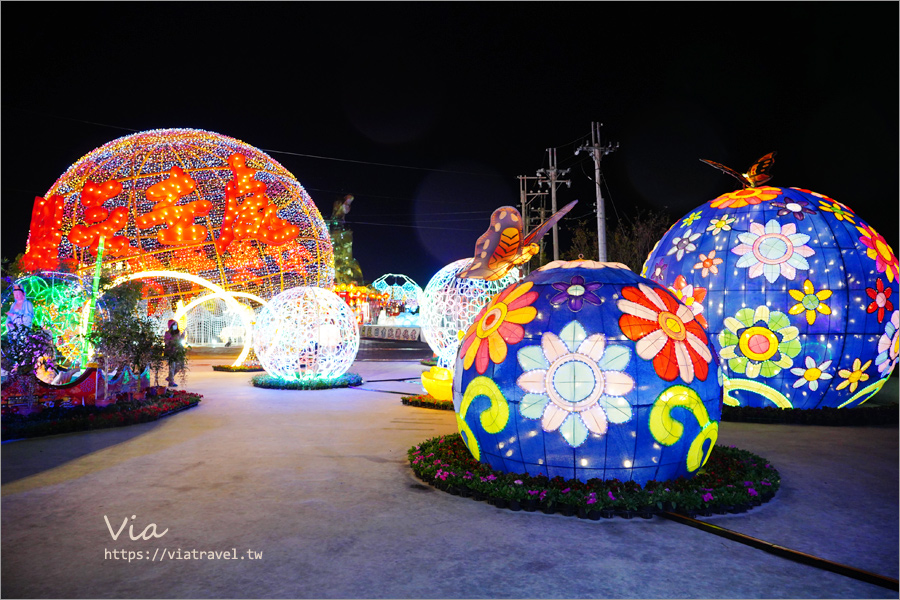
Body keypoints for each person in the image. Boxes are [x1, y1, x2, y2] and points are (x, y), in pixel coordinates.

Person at [164, 319, 185, 387]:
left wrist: (183, 336)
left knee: (180, 365)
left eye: (176, 324)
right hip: (171, 352)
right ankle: (171, 381)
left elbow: (180, 340)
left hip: (177, 352)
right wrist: (173, 342)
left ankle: (170, 377)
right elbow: (167, 342)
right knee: (172, 366)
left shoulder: (178, 332)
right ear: (171, 326)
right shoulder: (168, 333)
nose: (175, 326)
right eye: (174, 324)